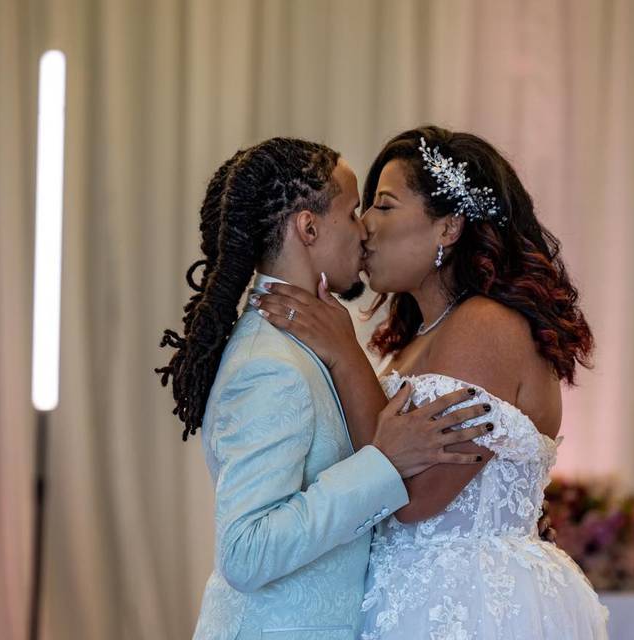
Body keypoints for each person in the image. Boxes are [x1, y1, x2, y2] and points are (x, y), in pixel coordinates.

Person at [254, 126, 609, 638]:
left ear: (448, 227)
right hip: (405, 595)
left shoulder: (485, 325)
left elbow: (418, 497)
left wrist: (343, 352)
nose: (364, 227)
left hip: (466, 607)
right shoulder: (419, 338)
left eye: (384, 205)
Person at [156, 137, 491, 639]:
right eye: (354, 211)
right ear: (308, 227)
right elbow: (245, 551)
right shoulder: (269, 363)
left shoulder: (301, 342)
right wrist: (384, 463)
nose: (366, 232)